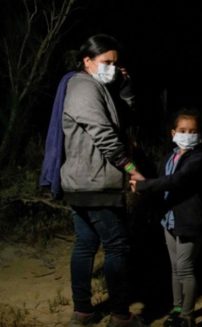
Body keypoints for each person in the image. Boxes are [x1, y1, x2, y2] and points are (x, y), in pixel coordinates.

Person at [61, 34, 146, 327]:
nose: (111, 67)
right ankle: (120, 315)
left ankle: (83, 311)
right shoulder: (83, 87)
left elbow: (128, 116)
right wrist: (130, 167)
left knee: (85, 243)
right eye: (105, 62)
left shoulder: (101, 87)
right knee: (117, 246)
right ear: (87, 61)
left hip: (83, 180)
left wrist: (124, 87)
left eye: (115, 63)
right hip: (94, 181)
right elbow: (105, 135)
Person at [130, 110, 202, 327]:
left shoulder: (198, 158)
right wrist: (143, 178)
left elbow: (177, 180)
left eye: (193, 131)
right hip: (169, 219)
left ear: (200, 135)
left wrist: (144, 186)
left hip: (189, 221)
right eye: (183, 130)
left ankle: (188, 315)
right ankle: (177, 308)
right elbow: (162, 180)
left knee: (185, 267)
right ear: (173, 133)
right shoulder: (171, 156)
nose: (188, 134)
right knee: (175, 268)